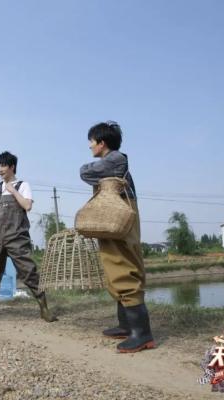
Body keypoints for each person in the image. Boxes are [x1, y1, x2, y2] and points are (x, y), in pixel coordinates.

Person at [79, 121, 155, 353]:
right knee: (114, 268)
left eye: (92, 142)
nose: (90, 146)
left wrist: (87, 170)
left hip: (118, 217)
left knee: (123, 267)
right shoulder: (112, 161)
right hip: (112, 217)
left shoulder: (116, 159)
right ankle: (126, 326)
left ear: (102, 143)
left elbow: (85, 172)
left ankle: (142, 335)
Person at [0, 151, 56, 322]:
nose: (0, 169)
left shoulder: (23, 185)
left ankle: (44, 308)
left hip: (17, 235)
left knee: (28, 270)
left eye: (3, 166)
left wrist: (13, 191)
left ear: (12, 167)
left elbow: (27, 206)